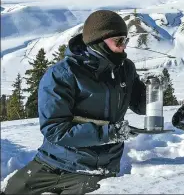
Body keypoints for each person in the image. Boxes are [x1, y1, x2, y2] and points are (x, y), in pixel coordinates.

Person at [4, 10, 147, 195]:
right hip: (50, 161)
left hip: (94, 168)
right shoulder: (62, 74)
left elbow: (141, 107)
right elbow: (55, 129)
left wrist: (153, 92)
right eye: (119, 41)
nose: (123, 47)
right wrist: (111, 132)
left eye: (125, 41)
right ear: (99, 41)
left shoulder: (125, 69)